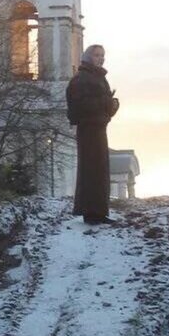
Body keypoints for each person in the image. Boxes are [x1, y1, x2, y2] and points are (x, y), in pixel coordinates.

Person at [67, 44, 120, 225]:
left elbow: (102, 106)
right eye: (97, 55)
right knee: (91, 170)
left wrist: (112, 105)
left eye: (102, 55)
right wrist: (107, 102)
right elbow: (80, 105)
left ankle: (98, 211)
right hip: (89, 129)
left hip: (98, 128)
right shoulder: (82, 79)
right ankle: (91, 212)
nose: (101, 58)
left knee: (99, 170)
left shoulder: (97, 77)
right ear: (89, 57)